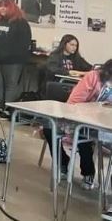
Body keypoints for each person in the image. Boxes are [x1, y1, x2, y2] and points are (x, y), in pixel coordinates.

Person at [43, 59, 112, 190]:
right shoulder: (93, 77)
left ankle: (88, 172)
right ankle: (64, 163)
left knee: (83, 132)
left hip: (104, 124)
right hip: (79, 116)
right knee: (49, 127)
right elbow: (74, 102)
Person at [0, 0, 32, 116]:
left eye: (5, 6)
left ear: (12, 8)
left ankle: (7, 110)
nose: (2, 9)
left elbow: (25, 43)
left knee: (10, 85)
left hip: (13, 62)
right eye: (0, 6)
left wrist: (12, 54)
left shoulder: (20, 23)